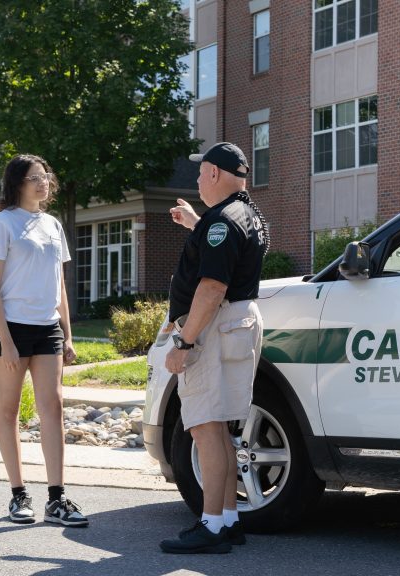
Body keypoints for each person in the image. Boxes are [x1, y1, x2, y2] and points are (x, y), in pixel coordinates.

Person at [159, 142, 269, 554]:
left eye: (202, 172)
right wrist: (197, 223)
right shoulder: (243, 213)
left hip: (215, 324)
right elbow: (223, 244)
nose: (198, 179)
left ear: (215, 174)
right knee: (219, 426)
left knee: (205, 427)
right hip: (234, 323)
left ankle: (211, 528)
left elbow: (212, 287)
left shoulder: (222, 221)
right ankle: (226, 521)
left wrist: (184, 343)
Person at [0, 154, 88, 527]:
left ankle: (56, 499)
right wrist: (6, 342)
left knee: (52, 408)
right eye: (33, 178)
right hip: (11, 327)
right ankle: (18, 495)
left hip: (47, 328)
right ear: (17, 184)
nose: (42, 183)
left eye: (45, 176)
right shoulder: (2, 224)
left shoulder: (53, 225)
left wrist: (68, 335)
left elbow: (59, 286)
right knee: (9, 411)